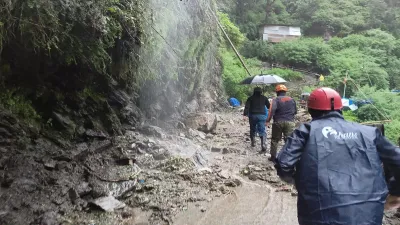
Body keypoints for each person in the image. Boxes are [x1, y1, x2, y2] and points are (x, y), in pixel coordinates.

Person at [274, 87, 400, 225]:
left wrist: (300, 182)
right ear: (341, 108)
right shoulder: (370, 133)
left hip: (318, 214)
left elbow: (283, 164)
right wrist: (393, 191)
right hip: (368, 215)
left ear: (311, 110)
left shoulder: (306, 131)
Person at [266, 84, 297, 162]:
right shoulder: (292, 100)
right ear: (285, 92)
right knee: (289, 140)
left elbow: (271, 110)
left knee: (275, 140)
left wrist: (267, 121)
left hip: (278, 122)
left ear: (277, 92)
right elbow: (295, 111)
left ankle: (273, 157)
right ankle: (289, 157)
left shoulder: (275, 100)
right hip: (290, 122)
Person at [243, 87, 270, 152]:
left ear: (254, 92)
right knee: (262, 130)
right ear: (261, 92)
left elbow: (247, 107)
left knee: (252, 129)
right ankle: (263, 144)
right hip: (262, 116)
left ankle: (253, 142)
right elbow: (269, 106)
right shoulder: (264, 98)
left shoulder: (250, 98)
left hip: (253, 116)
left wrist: (245, 114)